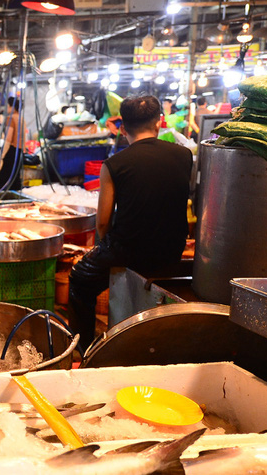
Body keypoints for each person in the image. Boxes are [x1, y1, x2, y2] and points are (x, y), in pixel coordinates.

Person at [68, 95, 193, 352]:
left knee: (80, 279)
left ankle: (82, 350)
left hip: (128, 251)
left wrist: (103, 249)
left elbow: (102, 223)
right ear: (159, 122)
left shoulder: (114, 165)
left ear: (122, 128)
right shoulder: (184, 155)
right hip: (172, 249)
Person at [0, 98, 24, 192]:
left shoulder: (11, 119)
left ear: (12, 107)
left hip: (11, 151)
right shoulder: (21, 119)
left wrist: (0, 157)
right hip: (19, 151)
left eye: (8, 106)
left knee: (4, 180)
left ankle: (2, 201)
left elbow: (8, 140)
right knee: (15, 179)